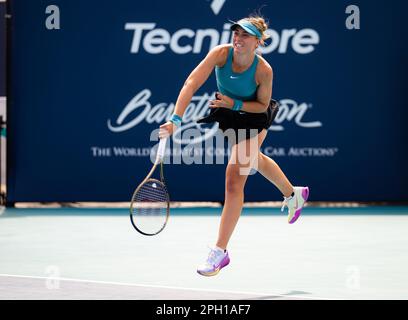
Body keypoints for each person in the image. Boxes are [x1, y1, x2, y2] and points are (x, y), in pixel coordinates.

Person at [159, 15, 309, 277]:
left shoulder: (264, 70)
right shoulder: (220, 54)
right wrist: (175, 119)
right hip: (229, 114)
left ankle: (220, 251)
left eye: (245, 35)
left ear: (258, 42)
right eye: (236, 33)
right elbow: (191, 82)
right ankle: (293, 194)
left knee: (233, 178)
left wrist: (234, 104)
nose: (238, 39)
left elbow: (262, 106)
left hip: (253, 116)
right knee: (253, 159)